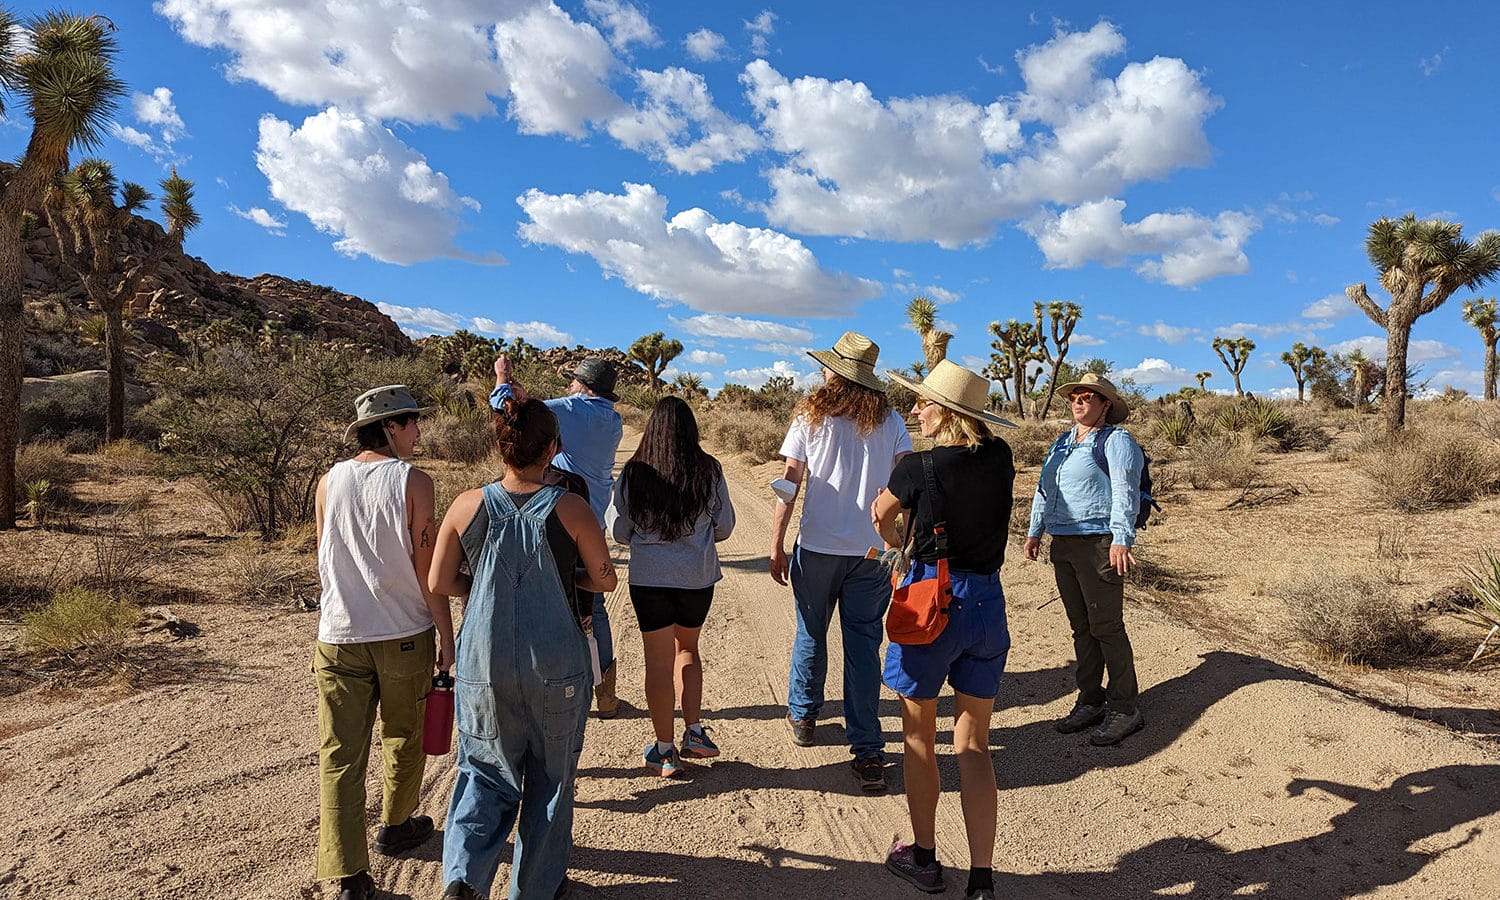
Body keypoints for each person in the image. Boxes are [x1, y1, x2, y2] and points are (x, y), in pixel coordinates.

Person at [429, 391, 618, 900]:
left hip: (482, 663)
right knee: (552, 781)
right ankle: (535, 887)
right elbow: (605, 580)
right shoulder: (572, 508)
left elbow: (440, 579)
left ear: (500, 447)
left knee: (484, 773)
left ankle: (464, 879)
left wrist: (484, 587)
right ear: (553, 447)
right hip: (555, 663)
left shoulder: (466, 505)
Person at [872, 361, 1016, 900]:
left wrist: (893, 540)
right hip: (986, 602)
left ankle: (925, 857)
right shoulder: (1000, 457)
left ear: (949, 412)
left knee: (919, 739)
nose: (914, 409)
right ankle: (982, 878)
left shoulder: (915, 468)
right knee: (974, 746)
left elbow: (881, 518)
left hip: (931, 601)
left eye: (923, 402)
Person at [311, 385, 443, 900]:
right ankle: (396, 823)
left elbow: (322, 556)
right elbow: (426, 568)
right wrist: (447, 635)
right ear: (390, 427)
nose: (418, 430)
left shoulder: (328, 481)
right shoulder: (415, 483)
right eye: (412, 422)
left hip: (339, 635)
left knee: (340, 754)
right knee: (403, 734)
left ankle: (347, 873)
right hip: (403, 633)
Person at [770, 331, 912, 792]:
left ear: (835, 372)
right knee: (863, 644)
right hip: (872, 551)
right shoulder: (889, 420)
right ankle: (868, 747)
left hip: (817, 546)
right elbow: (905, 483)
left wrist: (777, 542)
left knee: (811, 631)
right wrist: (899, 545)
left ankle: (804, 717)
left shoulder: (810, 416)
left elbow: (789, 482)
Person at [606, 396, 736, 777]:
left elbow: (617, 529)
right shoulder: (709, 470)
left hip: (649, 580)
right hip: (696, 578)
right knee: (688, 649)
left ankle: (664, 751)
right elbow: (724, 526)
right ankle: (694, 732)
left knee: (657, 663)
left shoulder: (634, 472)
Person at [495, 355, 625, 718]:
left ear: (582, 386)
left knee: (552, 596)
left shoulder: (571, 408)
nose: (569, 387)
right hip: (593, 517)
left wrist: (503, 378)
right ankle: (606, 693)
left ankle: (561, 687)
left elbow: (510, 410)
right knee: (593, 604)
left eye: (573, 382)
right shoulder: (613, 420)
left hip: (560, 515)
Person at [1023, 372, 1146, 747]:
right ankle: (1091, 699)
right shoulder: (1062, 443)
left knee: (1106, 626)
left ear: (1105, 404)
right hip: (1064, 542)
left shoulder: (1117, 440)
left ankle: (1125, 709)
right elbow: (1046, 488)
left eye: (1088, 397)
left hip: (1098, 542)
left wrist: (1122, 540)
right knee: (1081, 627)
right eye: (1074, 396)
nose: (1079, 402)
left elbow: (1126, 492)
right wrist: (1034, 530)